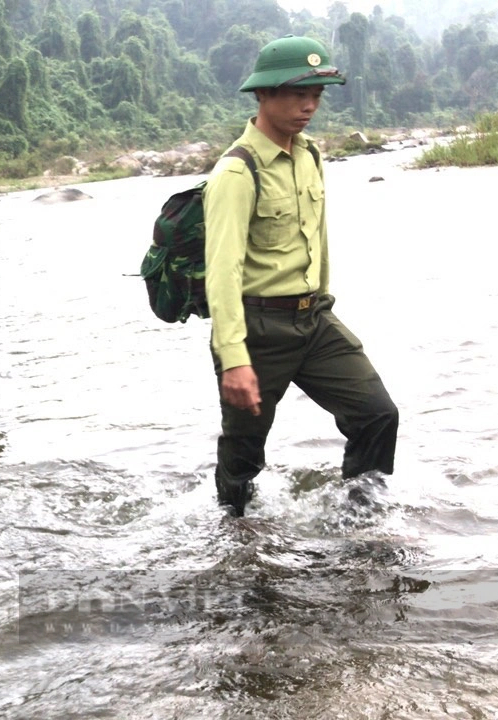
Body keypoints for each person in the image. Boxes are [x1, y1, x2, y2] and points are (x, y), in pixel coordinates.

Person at [203, 35, 399, 517]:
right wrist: (234, 359)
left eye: (316, 95)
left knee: (377, 413)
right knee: (245, 453)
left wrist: (323, 302)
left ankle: (359, 517)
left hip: (314, 320)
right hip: (259, 329)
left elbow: (318, 239)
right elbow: (222, 272)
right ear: (263, 95)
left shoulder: (310, 155)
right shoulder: (235, 172)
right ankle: (234, 535)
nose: (309, 105)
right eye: (297, 94)